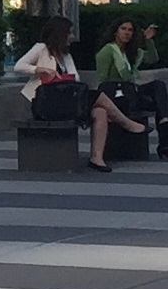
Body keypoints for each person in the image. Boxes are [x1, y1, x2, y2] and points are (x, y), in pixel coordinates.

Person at [15, 15, 144, 172]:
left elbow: (75, 78)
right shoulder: (41, 48)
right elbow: (19, 66)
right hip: (46, 103)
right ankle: (126, 123)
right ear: (61, 34)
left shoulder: (66, 56)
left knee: (100, 111)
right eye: (70, 33)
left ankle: (97, 158)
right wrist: (39, 70)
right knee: (97, 95)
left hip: (66, 100)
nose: (73, 37)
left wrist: (65, 79)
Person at [94, 16, 168, 159]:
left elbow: (153, 59)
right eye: (123, 29)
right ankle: (165, 145)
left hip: (131, 91)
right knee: (159, 103)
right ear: (115, 32)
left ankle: (164, 124)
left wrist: (148, 40)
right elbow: (103, 80)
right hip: (116, 96)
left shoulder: (133, 52)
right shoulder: (107, 51)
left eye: (130, 30)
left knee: (159, 87)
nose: (127, 33)